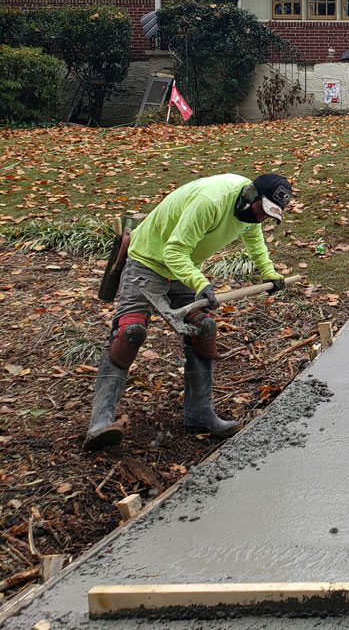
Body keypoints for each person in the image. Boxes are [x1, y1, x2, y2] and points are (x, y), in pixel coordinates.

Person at [84, 173, 293, 451]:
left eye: (268, 216)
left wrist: (268, 272)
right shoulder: (211, 201)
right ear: (249, 196)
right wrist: (200, 282)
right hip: (149, 260)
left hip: (183, 266)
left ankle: (199, 414)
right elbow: (173, 252)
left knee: (203, 329)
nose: (260, 219)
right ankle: (100, 423)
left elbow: (253, 237)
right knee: (130, 332)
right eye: (260, 211)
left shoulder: (251, 215)